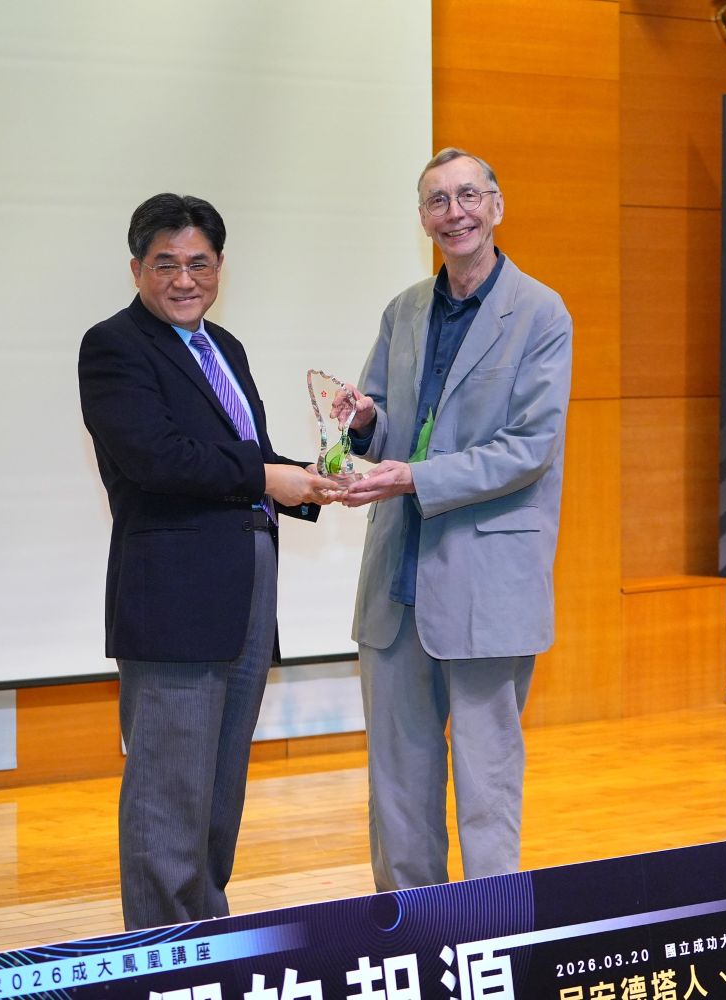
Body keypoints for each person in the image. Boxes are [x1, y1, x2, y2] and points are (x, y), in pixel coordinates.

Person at [78, 193, 337, 930]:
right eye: (166, 264)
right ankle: (161, 958)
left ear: (220, 266)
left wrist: (318, 477)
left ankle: (209, 946)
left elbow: (245, 457)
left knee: (218, 801)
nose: (184, 279)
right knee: (167, 803)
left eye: (199, 263)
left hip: (246, 593)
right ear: (137, 268)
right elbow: (158, 458)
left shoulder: (225, 346)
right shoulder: (114, 346)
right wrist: (267, 477)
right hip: (174, 606)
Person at [333, 148, 573, 891]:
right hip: (397, 585)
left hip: (487, 584)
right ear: (423, 219)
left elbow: (529, 449)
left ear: (497, 206)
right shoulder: (403, 310)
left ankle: (491, 936)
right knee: (397, 793)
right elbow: (387, 427)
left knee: (485, 788)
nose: (455, 212)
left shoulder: (541, 312)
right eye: (437, 201)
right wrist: (366, 423)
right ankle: (411, 935)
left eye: (468, 195)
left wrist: (417, 475)